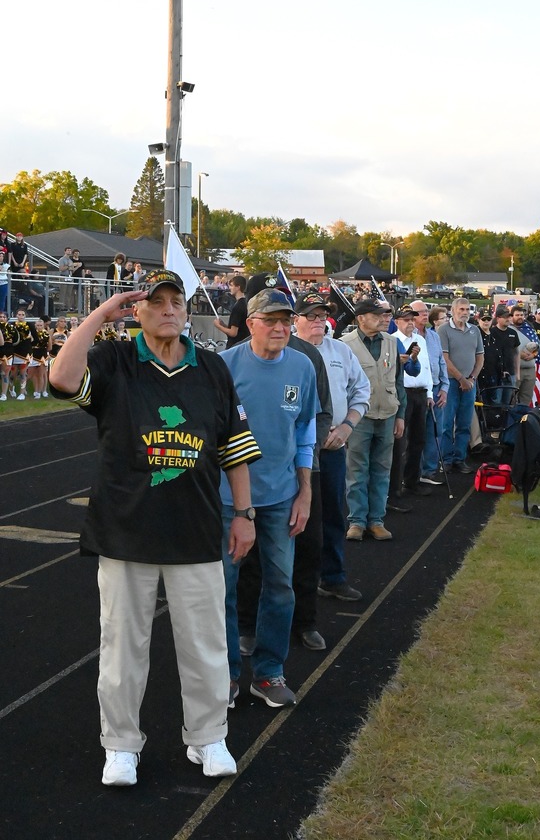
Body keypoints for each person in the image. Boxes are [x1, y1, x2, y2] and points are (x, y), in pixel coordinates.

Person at [48, 269, 261, 786]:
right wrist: (101, 314)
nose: (167, 309)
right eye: (155, 302)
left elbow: (233, 447)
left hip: (195, 529)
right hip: (126, 530)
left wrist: (244, 513)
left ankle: (208, 738)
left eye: (175, 302)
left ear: (187, 312)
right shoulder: (115, 361)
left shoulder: (211, 369)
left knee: (206, 645)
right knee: (123, 647)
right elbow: (60, 380)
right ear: (137, 312)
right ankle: (120, 745)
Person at [219, 289, 318, 709]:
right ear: (251, 323)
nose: (280, 328)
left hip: (281, 495)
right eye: (271, 320)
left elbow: (305, 431)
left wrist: (305, 490)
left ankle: (269, 672)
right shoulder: (224, 367)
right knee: (223, 587)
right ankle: (223, 675)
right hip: (226, 500)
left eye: (285, 320)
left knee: (281, 586)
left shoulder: (303, 365)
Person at [292, 291, 370, 602]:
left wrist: (348, 425)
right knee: (295, 516)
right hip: (294, 450)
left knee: (333, 513)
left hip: (332, 445)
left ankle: (333, 576)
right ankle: (294, 581)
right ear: (295, 319)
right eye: (310, 315)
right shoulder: (285, 350)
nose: (318, 321)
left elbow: (361, 389)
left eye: (322, 315)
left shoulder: (340, 350)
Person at [341, 299, 412, 540]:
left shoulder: (393, 342)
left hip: (388, 413)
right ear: (361, 318)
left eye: (385, 314)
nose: (385, 318)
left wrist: (401, 415)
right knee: (357, 469)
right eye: (378, 315)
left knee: (382, 469)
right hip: (359, 416)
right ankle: (357, 521)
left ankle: (376, 520)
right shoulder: (344, 345)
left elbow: (398, 380)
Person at [388, 305, 433, 505]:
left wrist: (430, 393)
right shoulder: (393, 341)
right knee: (400, 441)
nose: (410, 324)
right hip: (403, 392)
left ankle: (412, 480)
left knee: (418, 439)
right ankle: (395, 485)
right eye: (406, 320)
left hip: (420, 393)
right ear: (397, 321)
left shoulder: (420, 340)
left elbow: (426, 369)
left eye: (412, 320)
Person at [437, 298, 484, 473]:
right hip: (450, 383)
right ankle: (446, 459)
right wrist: (460, 379)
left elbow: (480, 358)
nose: (465, 312)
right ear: (453, 310)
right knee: (447, 423)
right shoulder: (444, 330)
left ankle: (460, 458)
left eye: (467, 309)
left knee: (464, 423)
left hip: (470, 383)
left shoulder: (475, 330)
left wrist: (471, 378)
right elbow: (445, 359)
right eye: (461, 309)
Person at [419, 305, 450, 482]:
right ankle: (414, 471)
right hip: (418, 391)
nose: (424, 314)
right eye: (420, 312)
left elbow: (442, 363)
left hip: (437, 388)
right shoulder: (406, 338)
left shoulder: (433, 336)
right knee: (416, 434)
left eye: (425, 311)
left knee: (436, 430)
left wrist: (445, 388)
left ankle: (429, 470)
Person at [510, 306, 539, 406]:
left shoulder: (529, 329)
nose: (520, 317)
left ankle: (523, 419)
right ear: (512, 316)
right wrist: (519, 354)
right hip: (515, 370)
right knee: (512, 398)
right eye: (517, 315)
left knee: (526, 399)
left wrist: (533, 355)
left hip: (530, 369)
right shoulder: (509, 330)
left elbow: (537, 347)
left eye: (521, 315)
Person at [214, 275, 249, 348]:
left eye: (232, 286)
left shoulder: (238, 307)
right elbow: (239, 328)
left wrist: (218, 326)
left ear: (238, 287)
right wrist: (223, 325)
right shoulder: (245, 303)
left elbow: (233, 333)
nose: (230, 288)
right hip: (243, 345)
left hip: (234, 346)